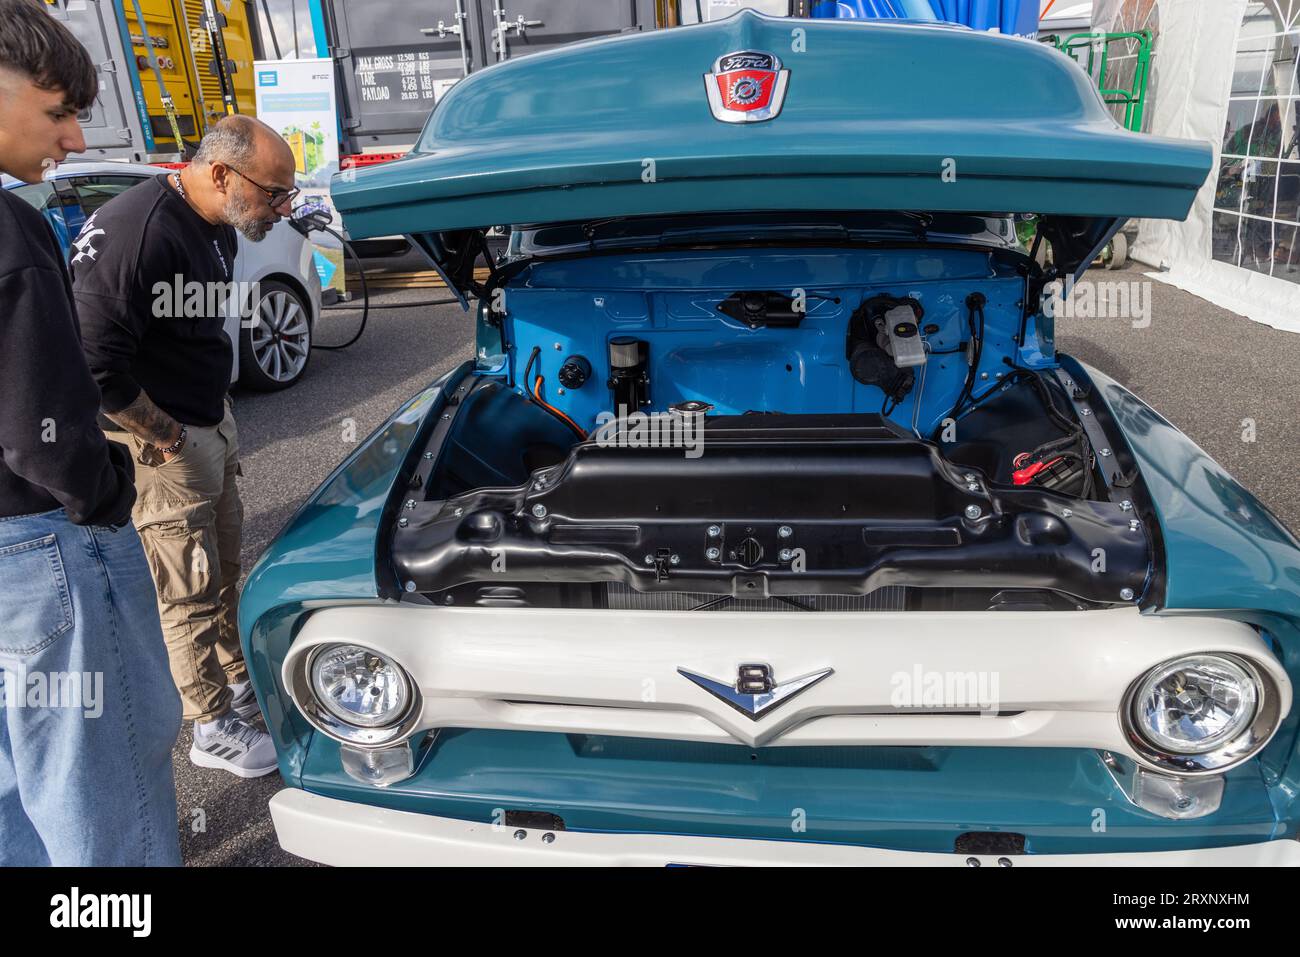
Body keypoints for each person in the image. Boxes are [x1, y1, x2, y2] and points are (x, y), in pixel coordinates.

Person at [0, 0, 181, 865]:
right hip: (38, 549)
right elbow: (39, 434)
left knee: (12, 793)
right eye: (59, 110)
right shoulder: (10, 228)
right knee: (106, 797)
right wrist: (108, 493)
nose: (73, 140)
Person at [73, 115, 297, 778]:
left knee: (226, 567)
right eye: (273, 192)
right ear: (223, 173)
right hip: (164, 447)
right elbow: (93, 367)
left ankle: (232, 680)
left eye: (288, 194)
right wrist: (167, 435)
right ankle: (209, 725)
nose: (281, 208)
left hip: (208, 424)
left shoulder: (216, 223)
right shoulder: (138, 234)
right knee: (188, 588)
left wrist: (215, 416)